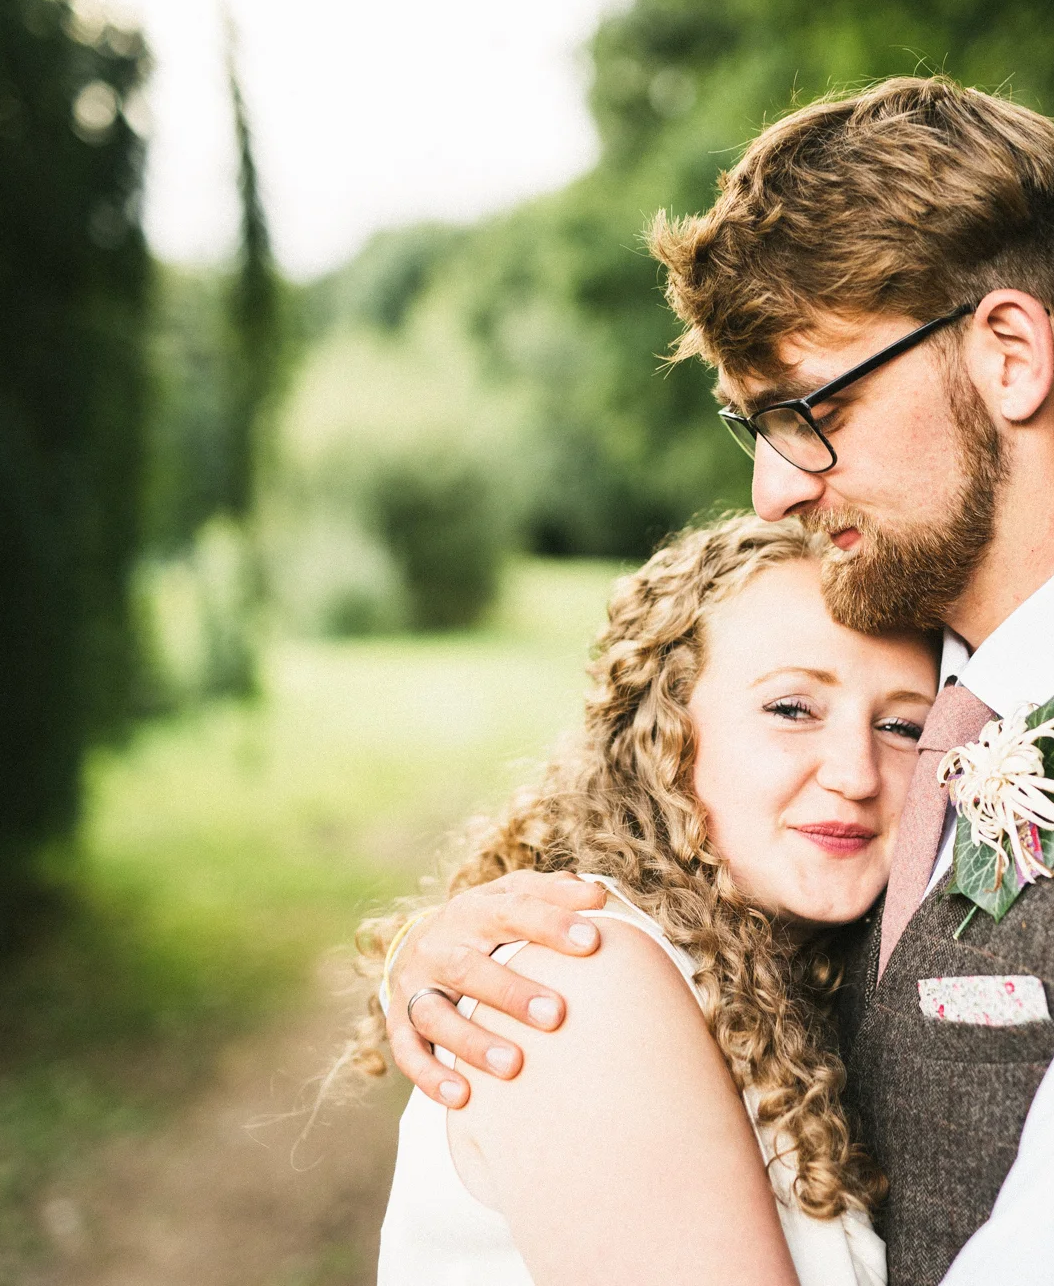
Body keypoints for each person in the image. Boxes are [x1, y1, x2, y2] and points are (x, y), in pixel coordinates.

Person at [384, 76, 1054, 1286]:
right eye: (755, 428)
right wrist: (497, 955)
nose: (774, 489)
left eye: (810, 409)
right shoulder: (919, 699)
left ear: (1008, 356)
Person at [357, 514, 938, 1285]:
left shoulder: (802, 976)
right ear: (664, 728)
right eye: (793, 709)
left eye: (902, 725)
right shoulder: (581, 981)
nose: (857, 772)